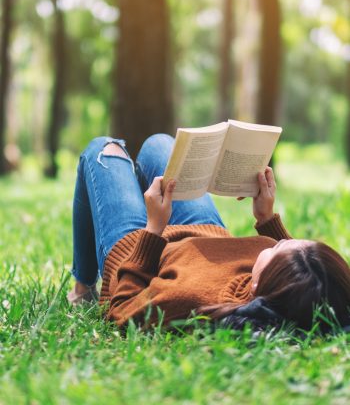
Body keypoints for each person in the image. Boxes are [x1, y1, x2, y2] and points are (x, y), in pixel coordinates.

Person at [68, 134, 350, 333]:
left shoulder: (189, 300)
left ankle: (82, 289)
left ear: (258, 286)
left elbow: (123, 311)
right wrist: (266, 217)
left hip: (139, 249)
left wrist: (153, 228)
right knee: (161, 145)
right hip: (203, 232)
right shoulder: (287, 285)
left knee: (103, 149)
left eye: (277, 248)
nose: (280, 242)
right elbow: (301, 269)